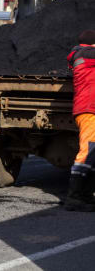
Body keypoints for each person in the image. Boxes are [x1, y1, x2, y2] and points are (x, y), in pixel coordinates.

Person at [65, 29, 95, 212]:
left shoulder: (80, 56)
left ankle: (84, 195)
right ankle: (74, 197)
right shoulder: (87, 54)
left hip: (88, 108)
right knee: (87, 152)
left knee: (93, 153)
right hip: (89, 109)